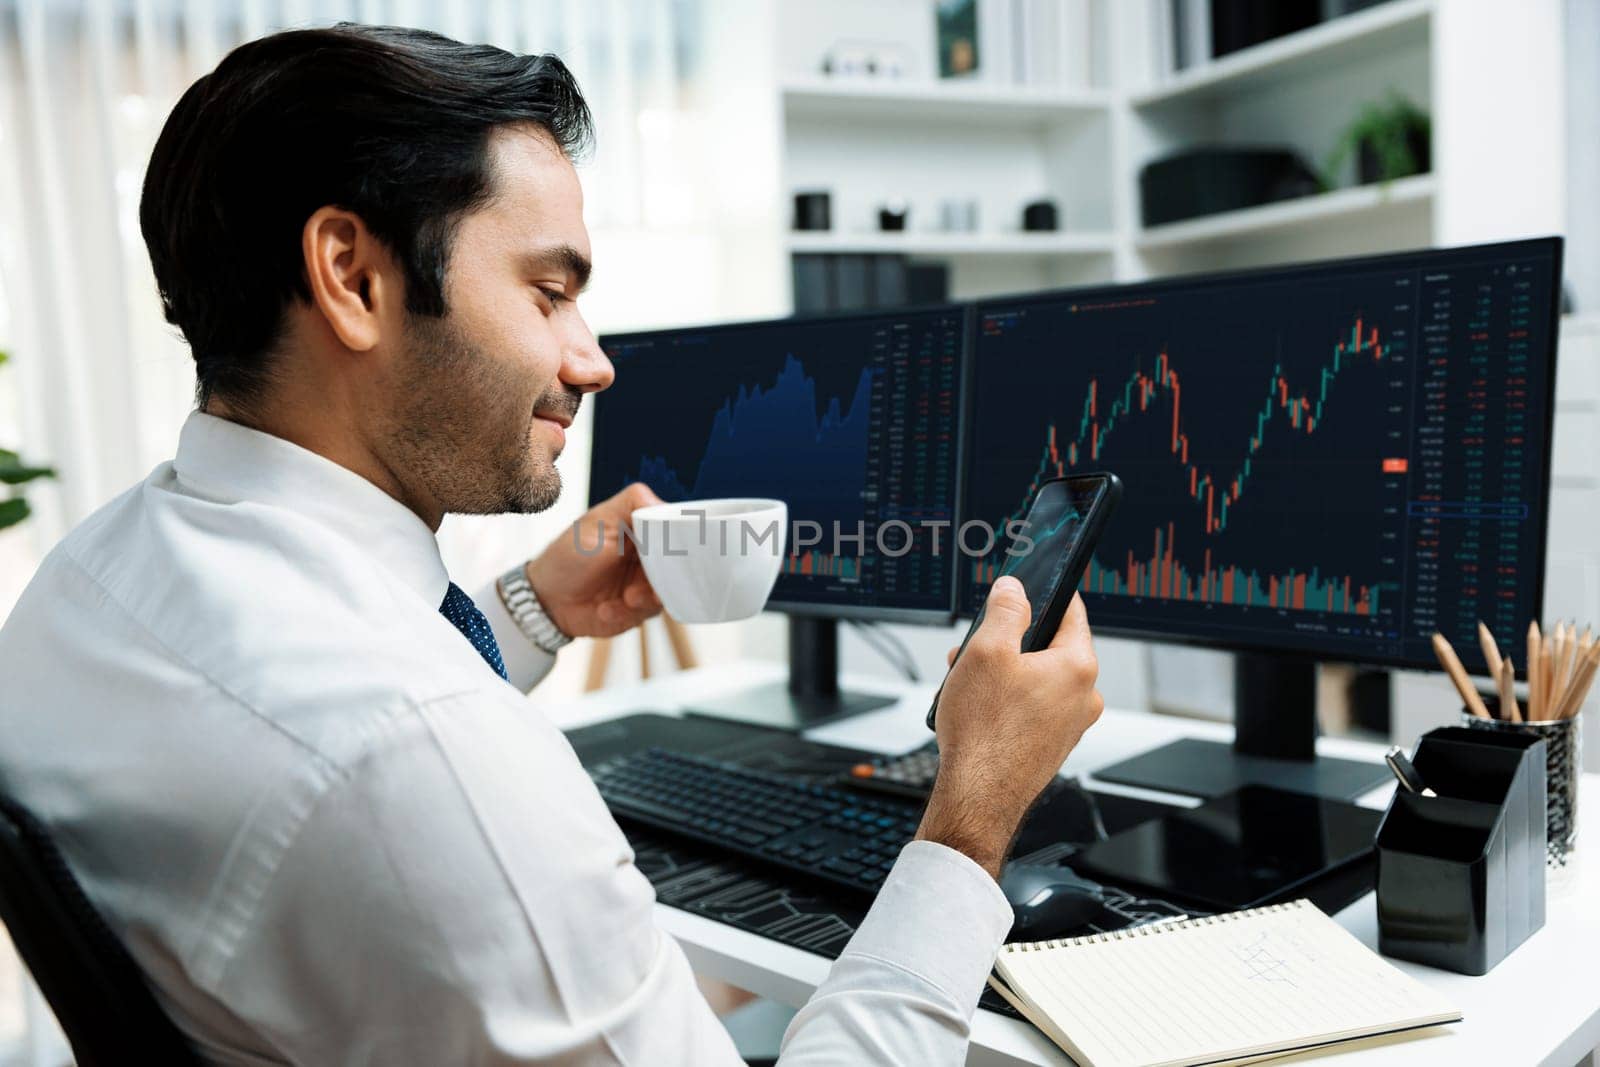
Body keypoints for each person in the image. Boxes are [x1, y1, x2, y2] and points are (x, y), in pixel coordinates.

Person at [0, 25, 1104, 1066]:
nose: (591, 360)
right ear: (352, 275)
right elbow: (391, 750)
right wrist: (974, 810)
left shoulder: (82, 583)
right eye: (549, 291)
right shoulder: (425, 755)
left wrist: (531, 609)